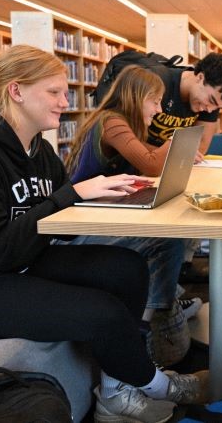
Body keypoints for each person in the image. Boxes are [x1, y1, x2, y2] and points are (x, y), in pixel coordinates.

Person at [0, 45, 199, 423]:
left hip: (16, 262)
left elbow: (60, 219)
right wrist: (73, 194)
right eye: (54, 92)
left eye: (65, 92)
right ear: (16, 91)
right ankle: (154, 383)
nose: (65, 102)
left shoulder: (39, 150)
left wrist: (113, 197)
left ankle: (115, 391)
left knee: (127, 267)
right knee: (103, 313)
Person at [63, 65, 200, 323]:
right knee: (168, 239)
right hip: (76, 229)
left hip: (96, 215)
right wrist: (177, 141)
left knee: (177, 222)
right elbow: (150, 163)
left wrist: (178, 150)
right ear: (136, 97)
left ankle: (163, 302)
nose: (159, 110)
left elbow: (147, 153)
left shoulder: (120, 123)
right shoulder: (112, 122)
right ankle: (153, 322)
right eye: (155, 101)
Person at [146, 52, 222, 276]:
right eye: (210, 101)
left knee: (197, 203)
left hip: (167, 170)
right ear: (199, 77)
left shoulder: (209, 104)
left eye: (216, 108)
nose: (208, 110)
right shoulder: (158, 83)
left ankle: (179, 271)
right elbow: (133, 142)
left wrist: (177, 155)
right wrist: (173, 153)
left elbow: (200, 145)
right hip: (137, 169)